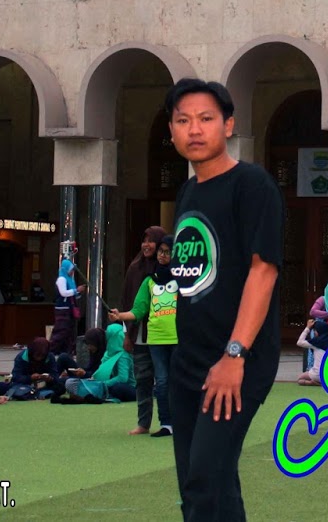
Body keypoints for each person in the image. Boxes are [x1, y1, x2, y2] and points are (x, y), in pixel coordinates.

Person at [164, 79, 283, 522]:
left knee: (205, 483)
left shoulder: (252, 185)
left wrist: (234, 355)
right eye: (183, 121)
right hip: (187, 361)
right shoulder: (189, 192)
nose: (194, 129)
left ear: (228, 125)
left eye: (206, 119)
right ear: (172, 131)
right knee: (204, 483)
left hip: (237, 359)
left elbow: (263, 270)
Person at [111, 233, 177, 435]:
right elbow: (137, 307)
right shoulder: (143, 274)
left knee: (178, 380)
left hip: (177, 337)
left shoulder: (184, 277)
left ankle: (186, 421)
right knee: (153, 380)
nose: (161, 255)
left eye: (166, 251)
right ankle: (160, 424)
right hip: (150, 337)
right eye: (161, 251)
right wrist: (121, 319)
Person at [123, 224, 166, 435]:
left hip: (164, 336)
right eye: (144, 240)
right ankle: (143, 423)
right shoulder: (135, 268)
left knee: (164, 380)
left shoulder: (167, 268)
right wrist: (127, 334)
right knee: (142, 379)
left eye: (151, 240)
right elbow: (129, 302)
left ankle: (168, 422)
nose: (146, 245)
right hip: (140, 335)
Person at [63, 322, 136, 403]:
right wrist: (94, 380)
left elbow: (123, 378)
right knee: (69, 382)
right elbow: (101, 372)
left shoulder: (123, 355)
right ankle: (93, 392)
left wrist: (103, 383)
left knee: (117, 388)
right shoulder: (108, 354)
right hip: (105, 384)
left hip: (129, 387)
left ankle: (96, 393)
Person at [50, 255, 85, 358]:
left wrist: (77, 293)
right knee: (61, 330)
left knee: (69, 331)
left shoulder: (70, 280)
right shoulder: (62, 279)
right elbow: (63, 293)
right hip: (62, 309)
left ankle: (66, 351)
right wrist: (76, 290)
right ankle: (52, 349)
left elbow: (71, 295)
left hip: (69, 308)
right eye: (71, 270)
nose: (72, 272)